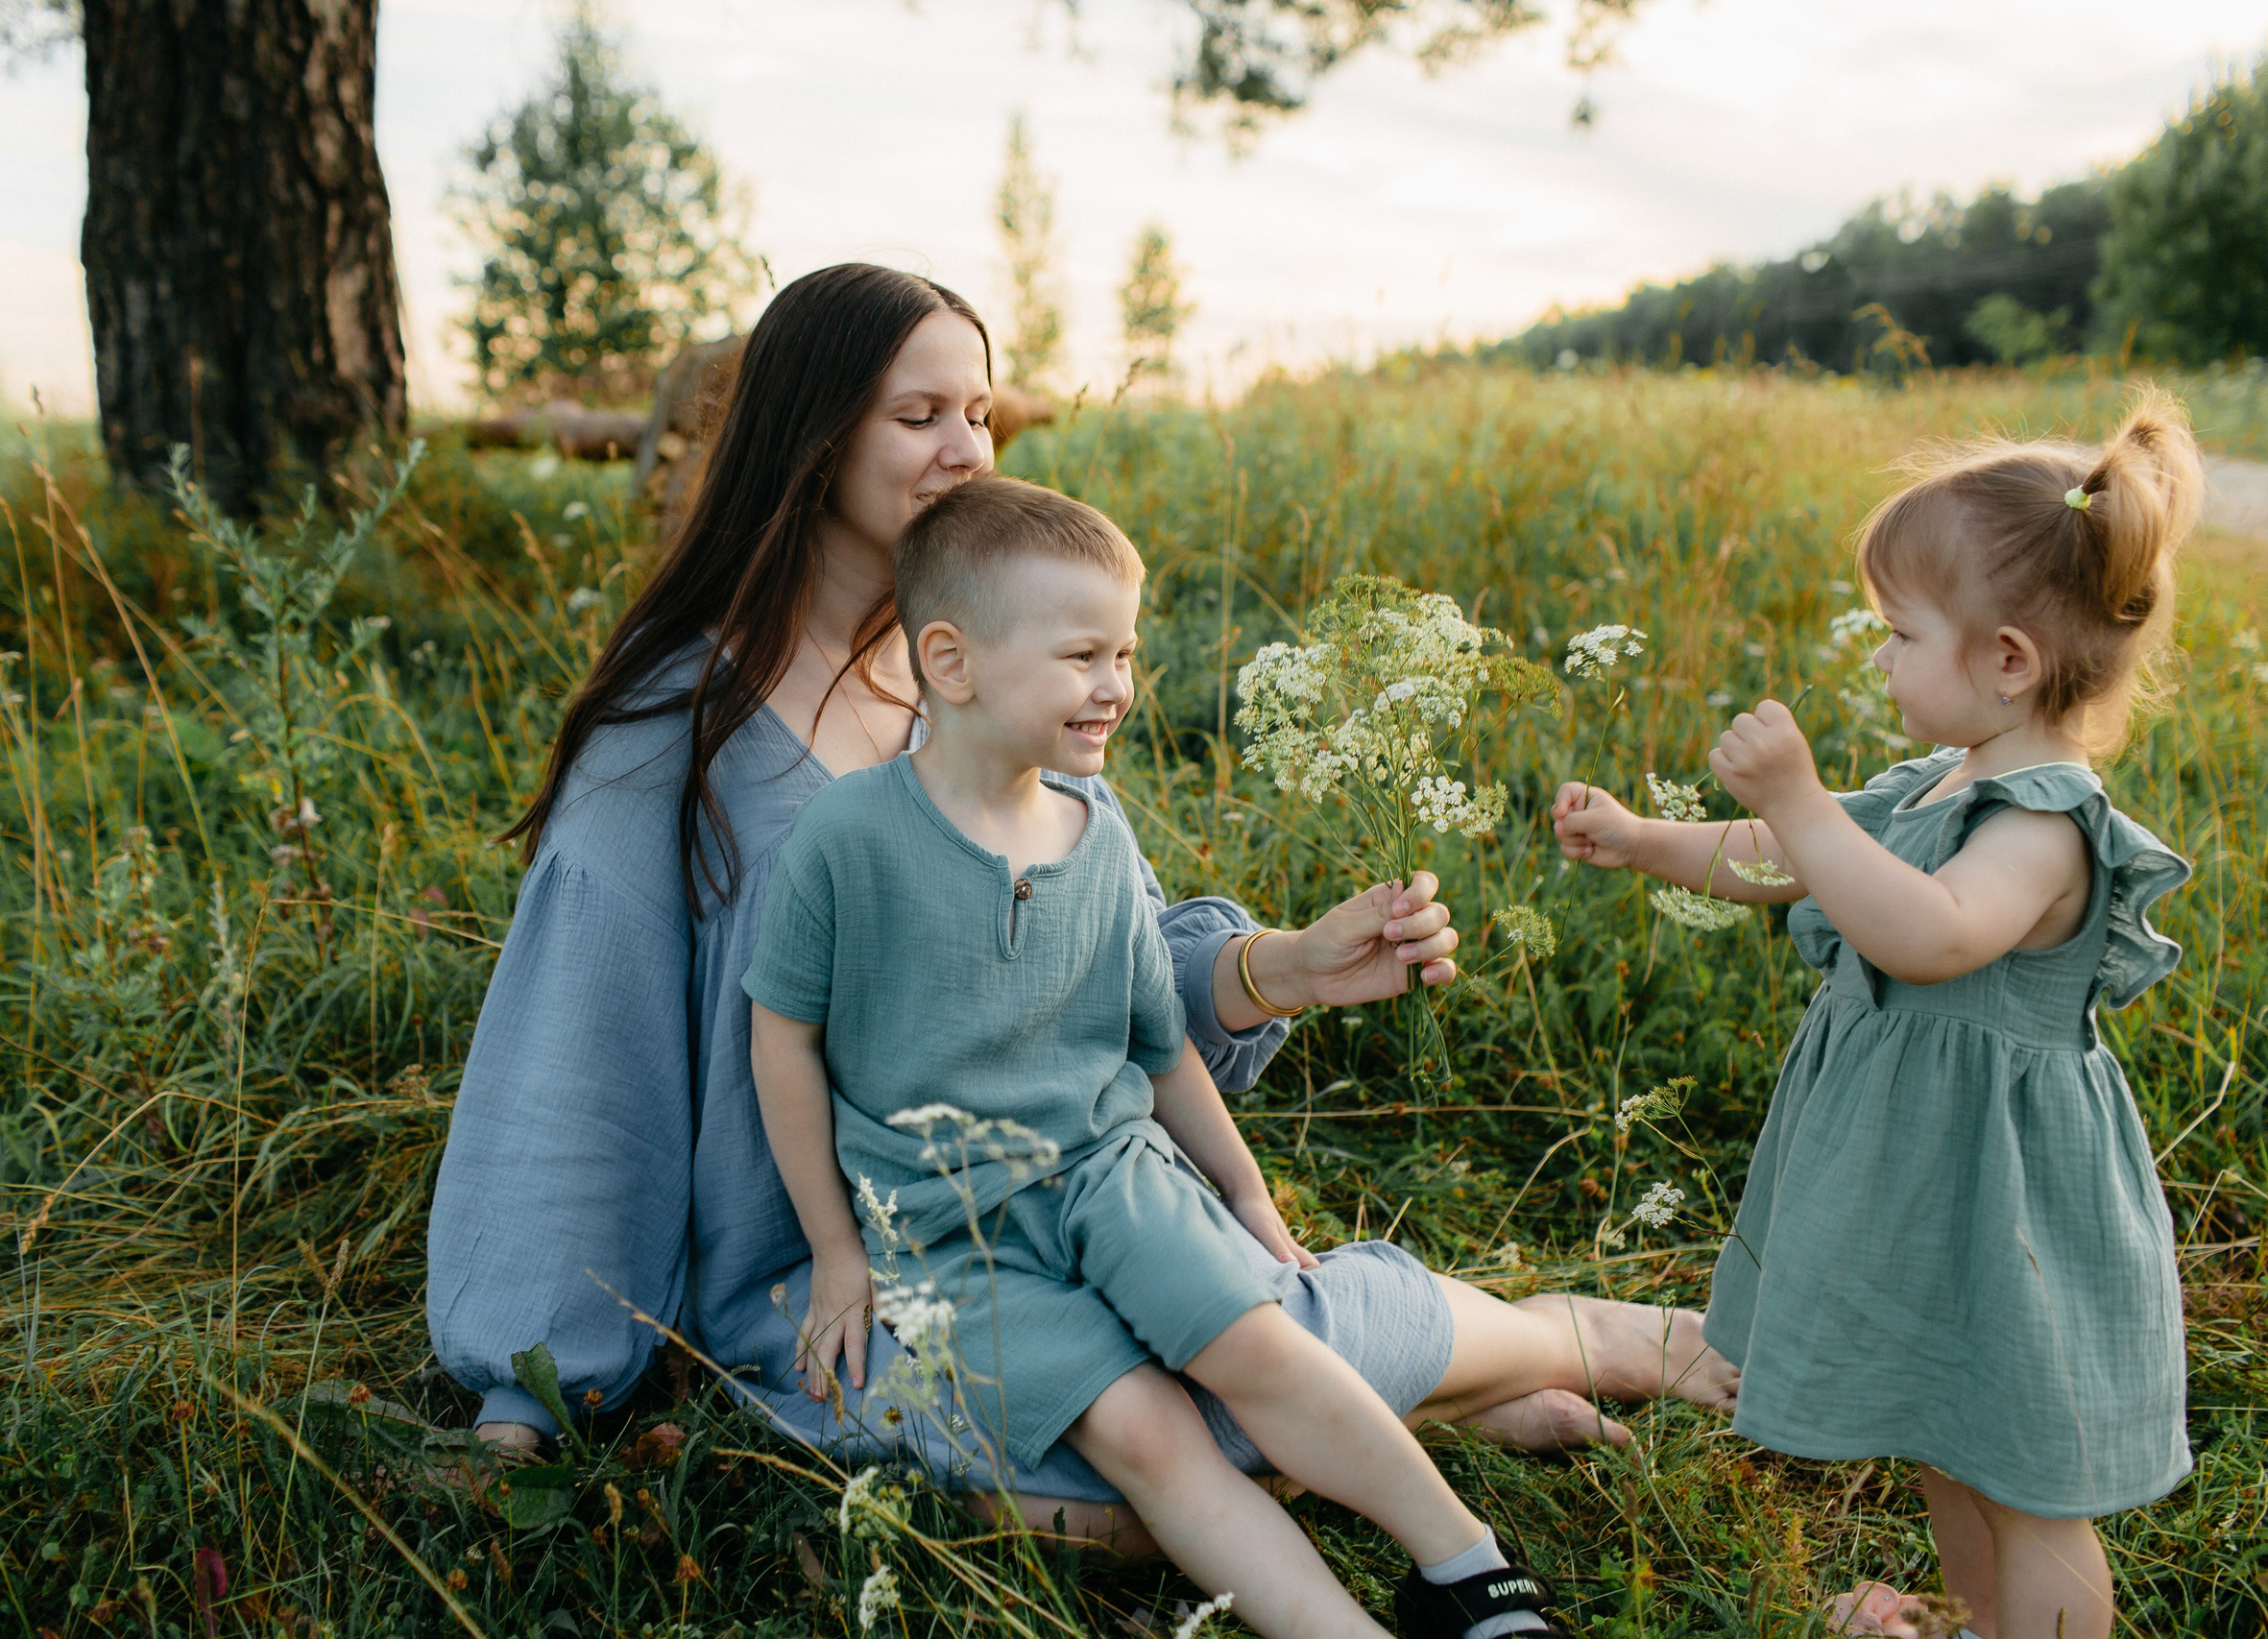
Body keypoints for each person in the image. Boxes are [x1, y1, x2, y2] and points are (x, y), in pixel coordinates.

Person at [425, 261, 1736, 1554]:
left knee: (1214, 1405)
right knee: (1110, 1490)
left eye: (980, 412)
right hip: (839, 1268)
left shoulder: (998, 664)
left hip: (1071, 1202)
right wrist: (527, 1383)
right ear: (815, 436)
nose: (965, 448)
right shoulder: (678, 725)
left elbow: (1109, 973)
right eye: (919, 414)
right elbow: (576, 1057)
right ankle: (1423, 1388)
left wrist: (1284, 966)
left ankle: (1581, 1330)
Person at [747, 475, 1565, 1639]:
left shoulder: (1096, 827)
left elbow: (1155, 1041)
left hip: (1112, 1178)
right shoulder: (847, 837)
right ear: (951, 660)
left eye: (1125, 654)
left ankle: (1469, 1574)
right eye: (1083, 656)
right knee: (1141, 1431)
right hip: (950, 1232)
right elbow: (781, 1038)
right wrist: (836, 1251)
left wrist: (1241, 1192)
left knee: (1259, 1348)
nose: (1117, 686)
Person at [1551, 393, 2200, 1639]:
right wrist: (1643, 840)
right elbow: (1796, 855)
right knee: (1945, 1435)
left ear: (2008, 658)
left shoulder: (2041, 825)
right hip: (1926, 1181)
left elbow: (1926, 931)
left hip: (2008, 1202)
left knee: (2028, 1478)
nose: (1883, 661)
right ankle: (1975, 1617)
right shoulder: (1946, 779)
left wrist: (1797, 798)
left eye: (1901, 635)